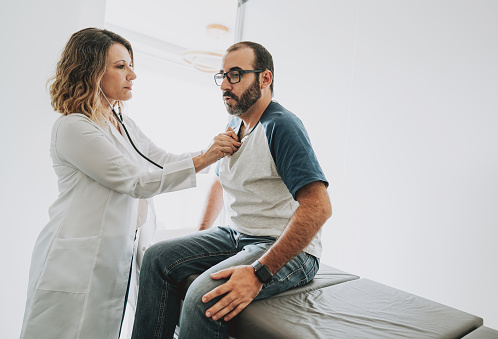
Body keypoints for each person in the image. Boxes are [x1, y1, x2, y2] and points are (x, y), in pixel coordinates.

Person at [19, 27, 240, 339]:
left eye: (131, 65)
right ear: (91, 71)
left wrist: (213, 152)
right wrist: (205, 159)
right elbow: (136, 182)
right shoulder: (74, 128)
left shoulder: (122, 124)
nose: (132, 75)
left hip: (111, 259)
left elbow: (162, 159)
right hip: (74, 263)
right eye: (121, 66)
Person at [131, 41, 332, 338]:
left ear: (265, 78)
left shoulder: (281, 126)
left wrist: (259, 273)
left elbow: (319, 208)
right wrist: (199, 236)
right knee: (157, 257)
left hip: (286, 249)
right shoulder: (234, 124)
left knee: (204, 296)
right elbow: (219, 182)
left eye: (236, 74)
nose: (225, 84)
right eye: (223, 75)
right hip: (236, 236)